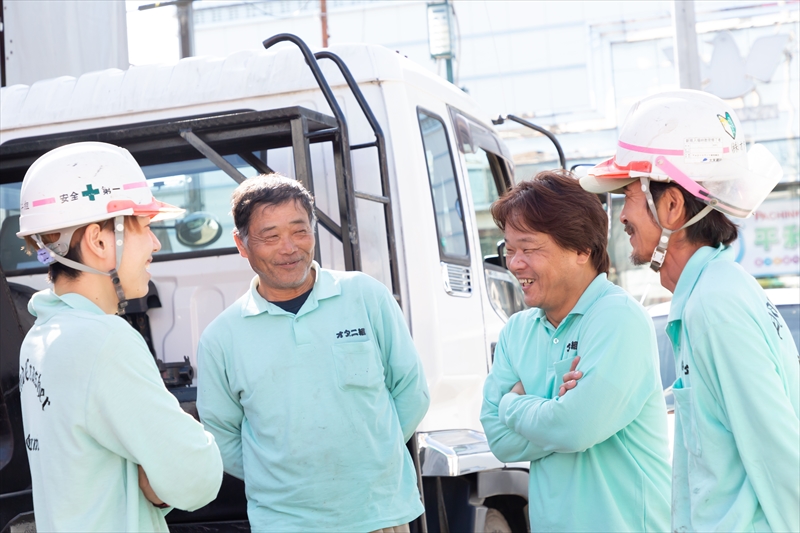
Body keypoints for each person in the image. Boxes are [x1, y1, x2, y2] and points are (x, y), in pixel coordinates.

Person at [579, 89, 800, 532]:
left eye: (629, 196)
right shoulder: (716, 290)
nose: (621, 216)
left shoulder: (715, 305)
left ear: (672, 206)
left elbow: (777, 453)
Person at [196, 173, 429, 533]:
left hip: (378, 514)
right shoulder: (221, 337)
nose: (289, 247)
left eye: (299, 231)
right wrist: (281, 479)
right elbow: (222, 434)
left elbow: (411, 390)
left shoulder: (365, 295)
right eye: (270, 236)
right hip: (285, 523)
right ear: (241, 245)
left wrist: (371, 455)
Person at [16, 142, 223, 532]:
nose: (156, 244)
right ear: (98, 241)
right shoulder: (104, 341)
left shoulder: (42, 335)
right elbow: (197, 478)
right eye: (145, 227)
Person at [480, 171, 671, 532]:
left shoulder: (618, 318)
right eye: (510, 249)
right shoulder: (517, 332)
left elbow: (575, 429)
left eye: (529, 248)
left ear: (583, 249)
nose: (515, 263)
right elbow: (500, 440)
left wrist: (512, 405)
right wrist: (557, 413)